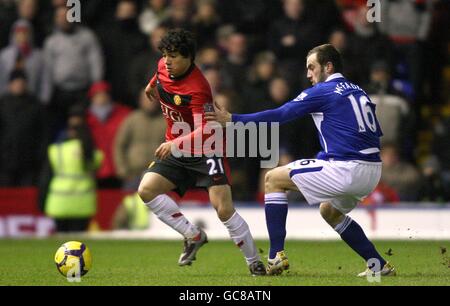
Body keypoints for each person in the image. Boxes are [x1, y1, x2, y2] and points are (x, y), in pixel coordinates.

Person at [206, 44, 396, 277]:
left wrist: (233, 119)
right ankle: (377, 263)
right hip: (372, 170)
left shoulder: (324, 91)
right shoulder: (357, 90)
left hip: (347, 168)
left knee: (273, 179)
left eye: (312, 67)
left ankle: (275, 256)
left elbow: (281, 114)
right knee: (330, 211)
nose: (308, 74)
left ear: (328, 67)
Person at [137, 29, 266, 275]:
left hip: (206, 149)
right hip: (176, 147)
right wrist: (151, 84)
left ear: (189, 58)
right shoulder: (163, 66)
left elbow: (205, 129)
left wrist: (173, 144)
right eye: (165, 55)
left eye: (173, 56)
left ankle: (254, 263)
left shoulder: (198, 88)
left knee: (223, 209)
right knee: (146, 189)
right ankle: (192, 235)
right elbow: (159, 74)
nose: (167, 61)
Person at [41, 107, 103, 233]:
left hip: (59, 202)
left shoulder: (56, 150)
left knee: (61, 243)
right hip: (83, 203)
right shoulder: (91, 152)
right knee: (79, 243)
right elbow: (98, 166)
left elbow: (45, 177)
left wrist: (41, 200)